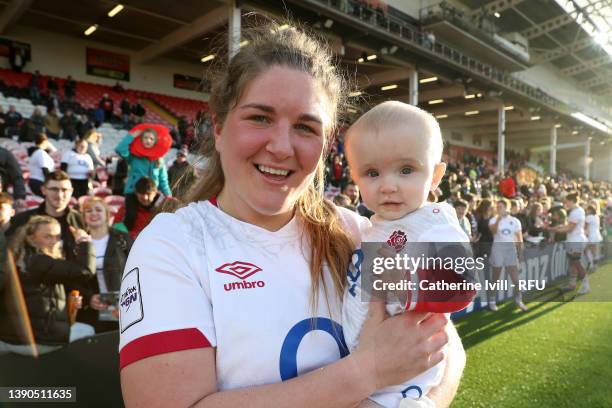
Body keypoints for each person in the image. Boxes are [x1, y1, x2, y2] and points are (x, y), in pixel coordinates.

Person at [119, 24, 465, 407]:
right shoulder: (173, 245)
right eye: (259, 118)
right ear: (218, 127)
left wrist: (426, 401)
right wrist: (368, 371)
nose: (281, 147)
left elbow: (442, 344)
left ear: (326, 145)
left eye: (305, 126)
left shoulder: (354, 230)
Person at [342, 101, 474, 407]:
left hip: (402, 378)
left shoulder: (435, 223)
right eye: (372, 173)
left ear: (436, 174)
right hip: (362, 362)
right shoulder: (374, 226)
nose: (388, 185)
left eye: (406, 170)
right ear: (355, 177)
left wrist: (407, 284)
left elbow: (462, 283)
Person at [0, 216, 95, 355]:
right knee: (88, 331)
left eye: (57, 237)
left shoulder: (18, 259)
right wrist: (84, 241)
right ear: (31, 239)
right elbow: (85, 270)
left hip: (8, 338)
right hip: (36, 341)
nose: (54, 242)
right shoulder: (38, 261)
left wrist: (69, 303)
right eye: (48, 237)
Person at [75, 197, 133, 333]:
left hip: (124, 306)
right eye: (88, 211)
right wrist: (89, 298)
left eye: (98, 210)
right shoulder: (79, 244)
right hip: (94, 310)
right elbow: (74, 278)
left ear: (107, 215)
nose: (93, 213)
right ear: (84, 217)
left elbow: (137, 270)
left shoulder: (122, 239)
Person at [7, 171, 84, 260]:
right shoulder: (23, 220)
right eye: (54, 189)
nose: (59, 195)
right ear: (44, 190)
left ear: (71, 191)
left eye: (64, 190)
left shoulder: (81, 220)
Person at [488, 198, 526, 312]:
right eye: (497, 206)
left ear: (507, 207)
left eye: (501, 206)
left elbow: (519, 239)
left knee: (515, 279)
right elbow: (493, 231)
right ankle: (492, 300)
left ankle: (519, 300)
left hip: (510, 250)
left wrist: (520, 254)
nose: (498, 208)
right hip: (497, 250)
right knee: (495, 277)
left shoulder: (515, 221)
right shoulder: (493, 220)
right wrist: (499, 219)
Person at [547, 192, 588, 292]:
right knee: (572, 263)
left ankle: (586, 285)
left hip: (576, 241)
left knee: (576, 263)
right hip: (574, 240)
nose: (565, 203)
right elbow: (569, 225)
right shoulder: (577, 210)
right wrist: (559, 227)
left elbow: (570, 228)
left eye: (567, 201)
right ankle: (572, 284)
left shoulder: (576, 212)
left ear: (571, 201)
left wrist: (554, 229)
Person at [115, 127, 171, 197]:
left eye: (151, 139)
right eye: (145, 138)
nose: (148, 140)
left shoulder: (159, 159)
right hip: (132, 193)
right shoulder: (134, 156)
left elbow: (163, 180)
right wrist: (131, 136)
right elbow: (120, 149)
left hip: (151, 195)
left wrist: (168, 195)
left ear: (155, 142)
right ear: (141, 140)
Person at [584, 205, 602, 276]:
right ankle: (594, 267)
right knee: (593, 251)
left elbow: (586, 228)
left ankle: (592, 266)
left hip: (591, 236)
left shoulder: (589, 217)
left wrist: (585, 235)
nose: (586, 211)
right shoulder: (596, 217)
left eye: (587, 210)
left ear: (590, 210)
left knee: (587, 250)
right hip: (596, 235)